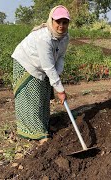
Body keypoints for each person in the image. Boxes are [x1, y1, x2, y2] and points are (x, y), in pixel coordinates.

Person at [11, 5, 70, 144]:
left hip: (43, 66)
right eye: (58, 21)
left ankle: (43, 125)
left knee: (43, 96)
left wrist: (58, 74)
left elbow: (61, 56)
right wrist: (60, 90)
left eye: (65, 22)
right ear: (51, 21)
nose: (61, 25)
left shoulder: (65, 37)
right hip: (27, 63)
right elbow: (48, 66)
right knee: (32, 99)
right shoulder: (44, 38)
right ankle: (36, 132)